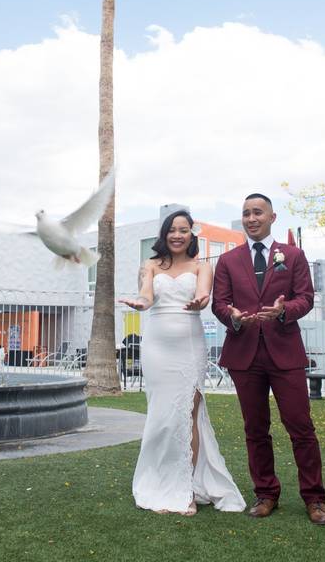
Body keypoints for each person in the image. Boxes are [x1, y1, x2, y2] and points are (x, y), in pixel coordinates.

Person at [211, 193, 325, 525]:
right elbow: (218, 303)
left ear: (272, 217)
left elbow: (305, 298)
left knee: (301, 427)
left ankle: (315, 499)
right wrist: (232, 316)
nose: (252, 218)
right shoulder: (228, 261)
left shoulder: (292, 256)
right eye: (247, 213)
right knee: (255, 429)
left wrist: (284, 312)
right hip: (244, 354)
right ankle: (266, 493)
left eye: (258, 212)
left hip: (285, 353)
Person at [120, 209, 246, 515]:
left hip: (189, 344)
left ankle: (185, 487)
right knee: (162, 416)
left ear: (192, 234)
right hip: (157, 346)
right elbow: (147, 296)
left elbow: (203, 295)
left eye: (183, 230)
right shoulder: (149, 265)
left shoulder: (203, 266)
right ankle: (159, 482)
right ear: (164, 234)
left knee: (188, 414)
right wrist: (141, 303)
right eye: (172, 230)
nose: (177, 235)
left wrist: (200, 301)